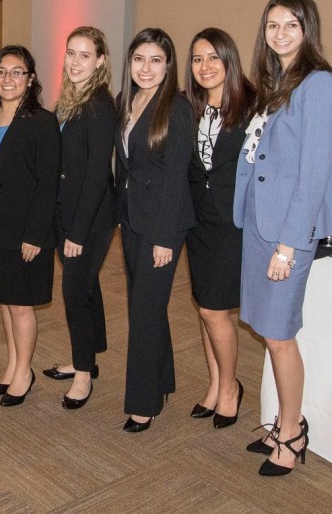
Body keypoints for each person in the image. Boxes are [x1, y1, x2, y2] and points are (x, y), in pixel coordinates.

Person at [235, 0, 332, 476]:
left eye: (291, 25)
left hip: (286, 233)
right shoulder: (276, 83)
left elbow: (315, 172)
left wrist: (289, 244)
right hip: (261, 223)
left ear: (307, 29)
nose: (280, 34)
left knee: (279, 337)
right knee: (267, 330)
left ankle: (294, 432)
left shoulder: (319, 85)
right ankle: (282, 422)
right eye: (272, 25)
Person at [114, 28, 195, 432]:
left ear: (169, 65)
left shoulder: (177, 107)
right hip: (132, 217)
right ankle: (161, 382)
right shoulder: (128, 100)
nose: (146, 68)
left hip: (162, 223)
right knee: (146, 305)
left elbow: (176, 175)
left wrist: (165, 237)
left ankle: (142, 403)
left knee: (144, 312)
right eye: (139, 59)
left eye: (156, 61)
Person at [0, 45, 60, 407]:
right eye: (1, 72)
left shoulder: (42, 121)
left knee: (22, 304)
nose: (8, 79)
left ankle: (24, 371)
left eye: (17, 71)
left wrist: (35, 235)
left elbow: (48, 183)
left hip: (26, 228)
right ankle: (12, 364)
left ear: (31, 78)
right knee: (6, 301)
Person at [184, 28, 256, 428]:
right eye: (197, 59)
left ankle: (230, 387)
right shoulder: (189, 107)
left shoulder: (251, 107)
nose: (205, 67)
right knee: (205, 306)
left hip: (233, 221)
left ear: (229, 60)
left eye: (214, 58)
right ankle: (215, 384)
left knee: (215, 308)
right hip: (198, 220)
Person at [42, 27, 117, 410]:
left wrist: (78, 232)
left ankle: (84, 373)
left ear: (101, 61)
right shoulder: (72, 98)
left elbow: (95, 175)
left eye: (85, 55)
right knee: (86, 286)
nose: (74, 62)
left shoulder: (99, 105)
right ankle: (88, 354)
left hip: (87, 217)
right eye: (71, 53)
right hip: (67, 211)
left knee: (75, 291)